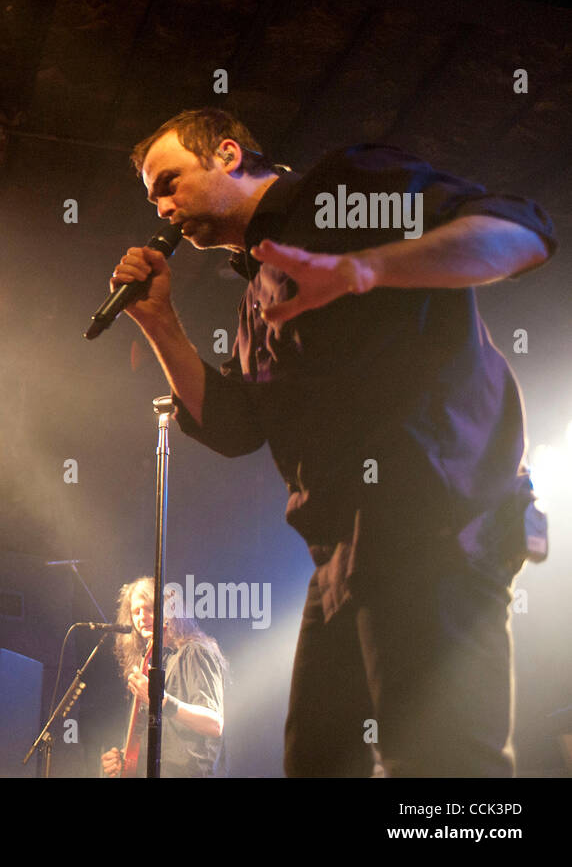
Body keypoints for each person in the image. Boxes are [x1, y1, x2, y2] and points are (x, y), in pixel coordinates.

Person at [110, 108, 555, 776]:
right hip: (344, 552)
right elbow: (233, 427)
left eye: (169, 181)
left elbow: (520, 231)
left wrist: (363, 270)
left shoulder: (339, 189)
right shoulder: (256, 293)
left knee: (444, 767)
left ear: (228, 154)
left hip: (431, 517)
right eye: (152, 197)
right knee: (320, 762)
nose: (162, 206)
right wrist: (160, 321)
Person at [100, 578, 226, 778]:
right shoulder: (146, 663)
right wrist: (126, 759)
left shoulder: (194, 652)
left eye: (149, 609)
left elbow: (214, 724)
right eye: (136, 612)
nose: (142, 617)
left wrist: (160, 700)